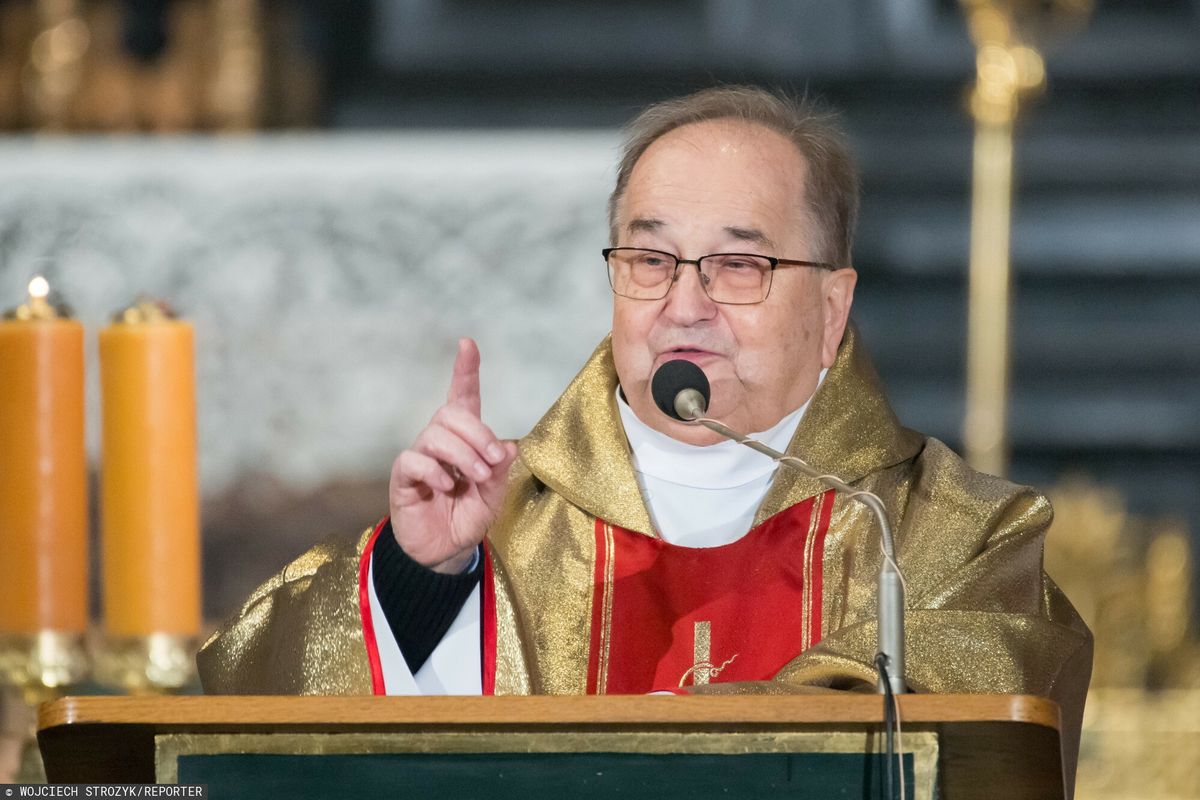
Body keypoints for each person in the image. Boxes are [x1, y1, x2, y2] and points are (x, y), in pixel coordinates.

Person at [198, 85, 1091, 773]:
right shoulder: (491, 522)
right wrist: (419, 583)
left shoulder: (951, 535)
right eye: (652, 259)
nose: (684, 307)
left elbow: (978, 735)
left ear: (830, 309)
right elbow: (258, 716)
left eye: (739, 265)